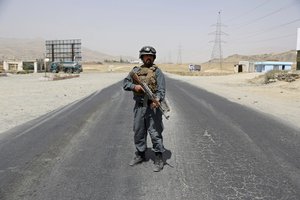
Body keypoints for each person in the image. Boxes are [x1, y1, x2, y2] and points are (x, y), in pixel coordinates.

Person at [123, 46, 166, 172]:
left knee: (155, 132)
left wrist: (156, 99)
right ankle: (140, 154)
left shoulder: (158, 72)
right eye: (146, 56)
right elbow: (125, 84)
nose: (148, 58)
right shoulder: (135, 71)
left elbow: (161, 90)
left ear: (153, 58)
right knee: (139, 131)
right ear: (142, 57)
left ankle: (158, 157)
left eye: (150, 56)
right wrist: (134, 87)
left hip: (153, 108)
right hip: (139, 107)